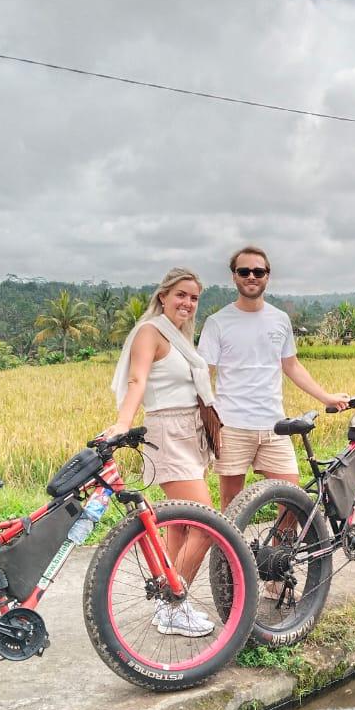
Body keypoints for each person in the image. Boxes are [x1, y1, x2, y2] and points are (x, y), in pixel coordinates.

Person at [106, 268, 217, 638]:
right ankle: (172, 603)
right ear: (163, 296)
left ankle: (170, 607)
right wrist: (123, 422)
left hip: (190, 431)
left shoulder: (182, 338)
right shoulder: (150, 332)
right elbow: (137, 379)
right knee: (207, 523)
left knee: (181, 525)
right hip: (167, 432)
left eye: (194, 298)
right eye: (181, 295)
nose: (187, 303)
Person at [198, 246, 349, 510]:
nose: (251, 276)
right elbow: (203, 374)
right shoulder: (217, 322)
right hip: (232, 426)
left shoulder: (280, 319)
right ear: (234, 276)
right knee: (232, 503)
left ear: (268, 276)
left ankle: (279, 553)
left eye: (258, 271)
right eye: (244, 271)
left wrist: (327, 397)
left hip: (275, 425)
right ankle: (230, 553)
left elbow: (291, 365)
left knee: (292, 499)